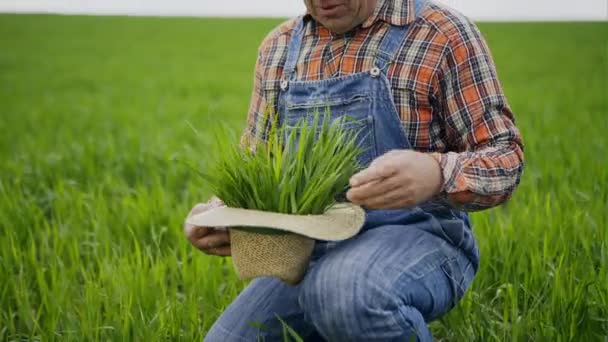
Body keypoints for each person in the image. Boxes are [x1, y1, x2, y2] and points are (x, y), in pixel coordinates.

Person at [184, 0, 524, 340]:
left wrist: (435, 172)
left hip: (424, 235)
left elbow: (505, 156)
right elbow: (256, 165)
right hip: (308, 248)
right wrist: (220, 213)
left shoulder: (442, 34)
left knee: (343, 291)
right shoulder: (279, 47)